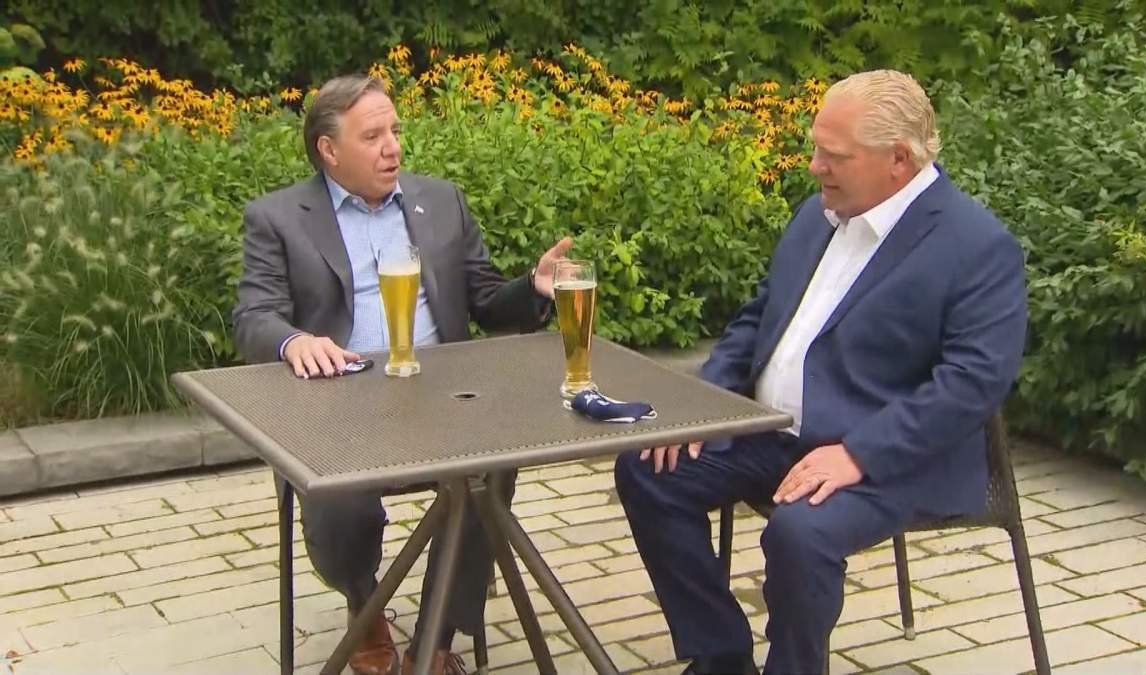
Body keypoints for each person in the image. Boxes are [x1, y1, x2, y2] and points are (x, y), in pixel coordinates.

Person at [614, 69, 1028, 675]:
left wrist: (858, 453)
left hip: (890, 457)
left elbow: (973, 383)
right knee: (650, 468)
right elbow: (759, 316)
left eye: (833, 155)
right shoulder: (821, 213)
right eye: (815, 148)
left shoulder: (977, 246)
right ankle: (721, 656)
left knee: (799, 535)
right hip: (776, 434)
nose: (813, 166)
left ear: (898, 160)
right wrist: (707, 403)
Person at [232, 74, 571, 675]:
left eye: (395, 131)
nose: (392, 146)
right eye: (373, 135)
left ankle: (435, 639)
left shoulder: (440, 201)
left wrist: (534, 289)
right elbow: (254, 315)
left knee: (491, 468)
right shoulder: (278, 217)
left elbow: (485, 299)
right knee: (337, 495)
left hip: (443, 395)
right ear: (328, 150)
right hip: (340, 402)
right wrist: (294, 341)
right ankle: (365, 607)